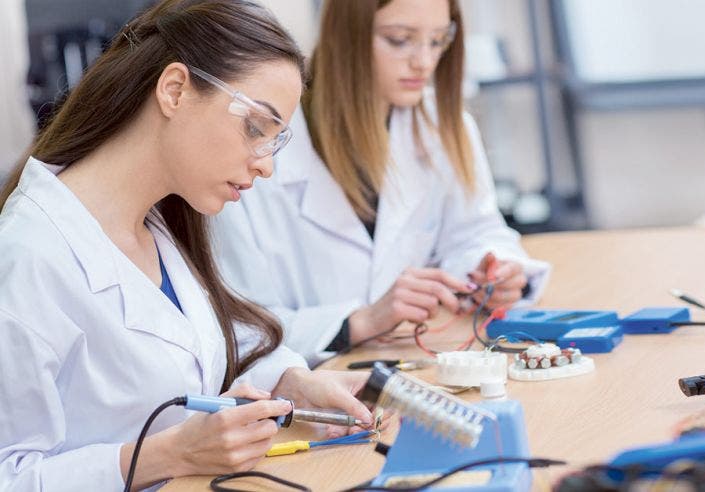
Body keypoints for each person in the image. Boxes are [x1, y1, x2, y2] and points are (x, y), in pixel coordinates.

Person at [0, 1, 374, 490]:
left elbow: (202, 347)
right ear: (175, 90)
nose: (266, 166)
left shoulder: (160, 222)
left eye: (275, 141)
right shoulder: (28, 256)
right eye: (255, 127)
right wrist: (165, 455)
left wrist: (289, 382)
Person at [212, 0, 551, 361]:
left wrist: (491, 271)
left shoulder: (444, 127)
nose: (423, 61)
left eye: (437, 41)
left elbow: (476, 232)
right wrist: (360, 321)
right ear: (345, 35)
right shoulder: (258, 150)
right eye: (400, 39)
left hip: (418, 361)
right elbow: (238, 329)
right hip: (309, 390)